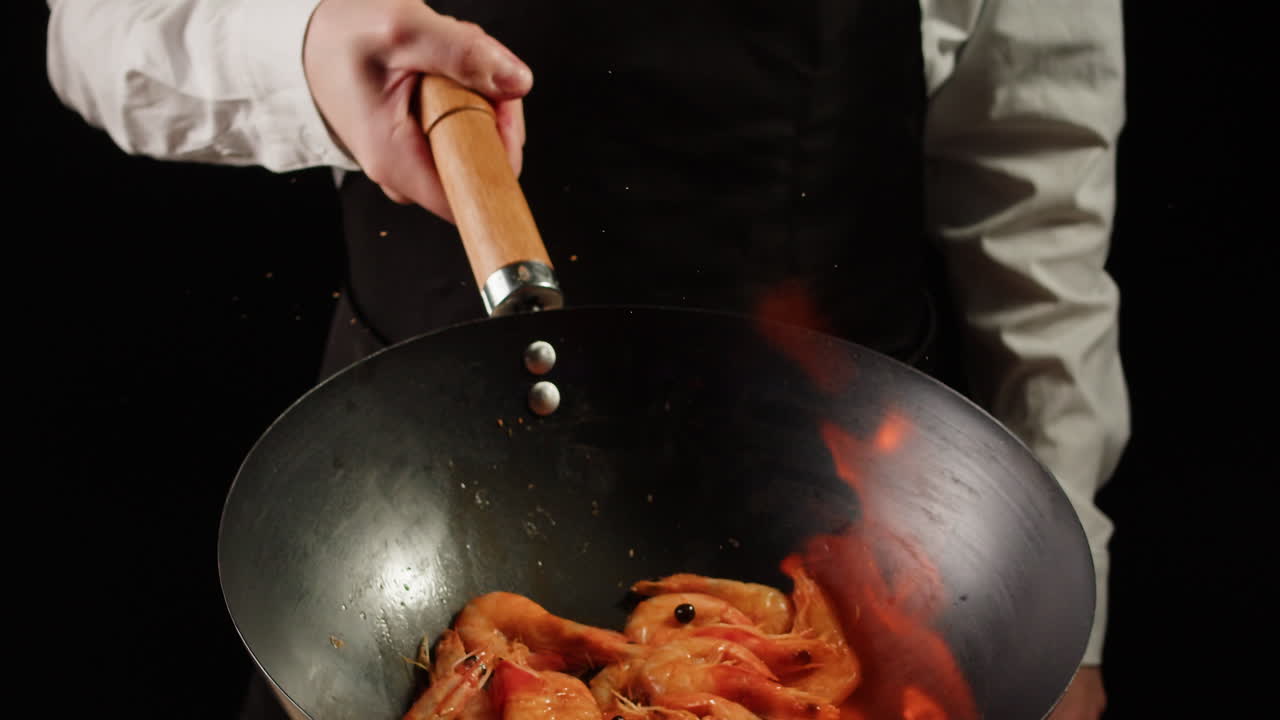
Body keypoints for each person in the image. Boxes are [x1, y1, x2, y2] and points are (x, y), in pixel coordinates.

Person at [45, 1, 1128, 718]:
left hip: (870, 511)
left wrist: (1066, 602)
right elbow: (94, 32)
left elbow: (1039, 193)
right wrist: (305, 51)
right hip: (402, 490)